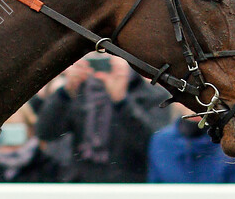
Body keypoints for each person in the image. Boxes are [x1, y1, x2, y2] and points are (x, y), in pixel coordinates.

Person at [35, 54, 170, 183]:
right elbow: (46, 133)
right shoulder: (78, 91)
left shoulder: (153, 95)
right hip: (79, 184)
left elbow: (155, 145)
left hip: (131, 185)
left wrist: (122, 102)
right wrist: (65, 94)